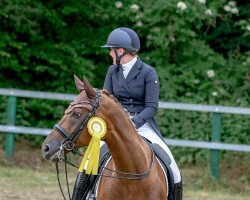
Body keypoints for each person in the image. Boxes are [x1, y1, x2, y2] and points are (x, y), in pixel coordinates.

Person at [101, 27, 182, 197]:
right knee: (89, 162)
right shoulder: (112, 71)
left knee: (173, 167)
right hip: (116, 127)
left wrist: (134, 122)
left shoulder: (148, 72)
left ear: (121, 51)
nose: (110, 54)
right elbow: (106, 101)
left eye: (111, 50)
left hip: (143, 125)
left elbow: (151, 107)